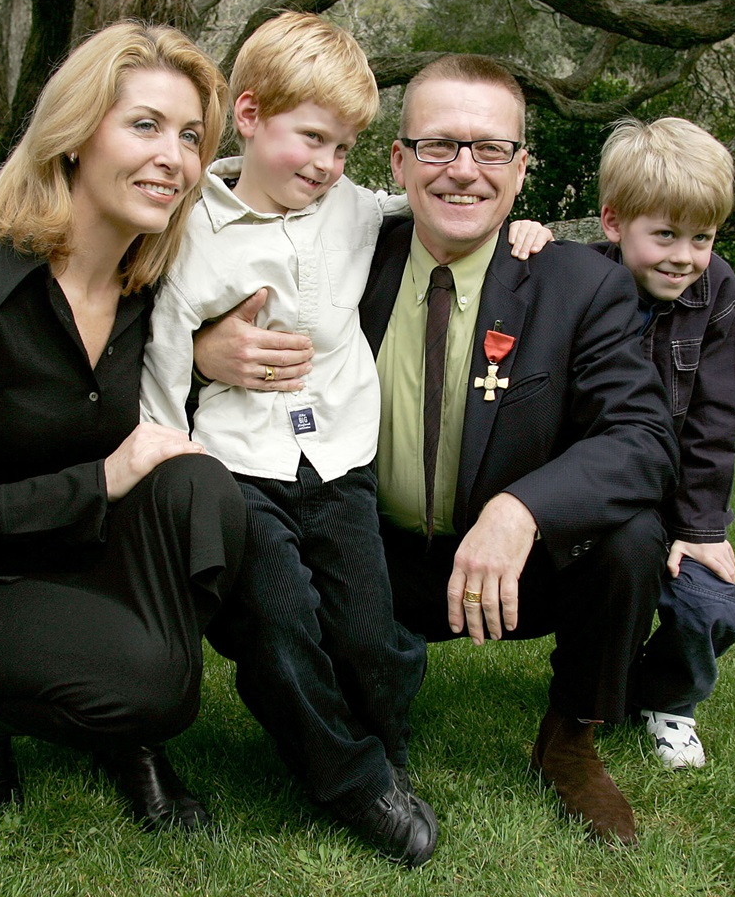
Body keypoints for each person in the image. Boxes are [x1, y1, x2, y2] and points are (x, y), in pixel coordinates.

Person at [194, 55, 678, 846]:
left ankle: (571, 739)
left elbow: (644, 438)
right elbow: (211, 257)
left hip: (513, 570)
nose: (464, 172)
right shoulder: (346, 248)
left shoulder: (579, 285)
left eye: (490, 150)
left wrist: (521, 512)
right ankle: (352, 732)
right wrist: (208, 349)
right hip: (367, 550)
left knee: (630, 538)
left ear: (522, 170)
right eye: (439, 146)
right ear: (398, 159)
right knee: (270, 553)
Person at [140, 12, 548, 866]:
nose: (326, 165)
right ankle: (354, 782)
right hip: (240, 464)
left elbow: (443, 199)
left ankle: (382, 741)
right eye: (312, 139)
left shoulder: (354, 210)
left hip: (338, 461)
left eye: (344, 148)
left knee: (370, 631)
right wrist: (170, 457)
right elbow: (165, 357)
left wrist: (524, 225)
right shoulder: (189, 229)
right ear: (248, 116)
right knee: (283, 622)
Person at [0, 22, 245, 833]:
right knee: (155, 686)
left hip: (76, 553)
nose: (173, 158)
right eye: (144, 125)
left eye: (189, 138)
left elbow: (305, 217)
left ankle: (132, 722)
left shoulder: (152, 292)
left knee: (205, 492)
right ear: (75, 137)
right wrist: (100, 481)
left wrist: (510, 235)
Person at [595, 117, 735, 769]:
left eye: (701, 237)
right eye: (664, 235)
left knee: (711, 606)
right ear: (613, 224)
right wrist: (526, 234)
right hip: (599, 491)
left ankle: (666, 699)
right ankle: (604, 683)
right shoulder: (580, 281)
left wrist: (703, 527)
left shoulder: (718, 294)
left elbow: (714, 422)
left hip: (675, 498)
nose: (683, 255)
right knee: (615, 585)